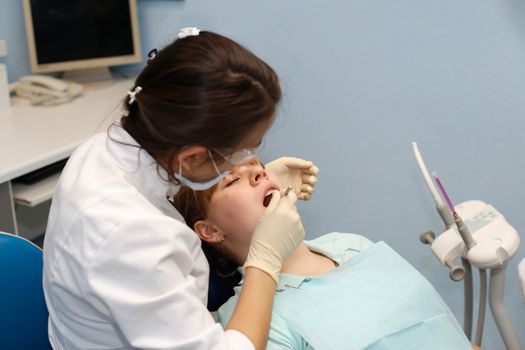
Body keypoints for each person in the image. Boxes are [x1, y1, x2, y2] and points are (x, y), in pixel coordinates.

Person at [43, 28, 319, 350]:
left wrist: (241, 175)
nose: (251, 166)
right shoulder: (129, 234)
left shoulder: (116, 141)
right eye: (242, 153)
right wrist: (264, 259)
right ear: (190, 157)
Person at [171, 159, 482, 350]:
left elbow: (444, 332)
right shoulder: (246, 321)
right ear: (210, 231)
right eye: (233, 179)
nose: (257, 173)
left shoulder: (350, 244)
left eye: (259, 166)